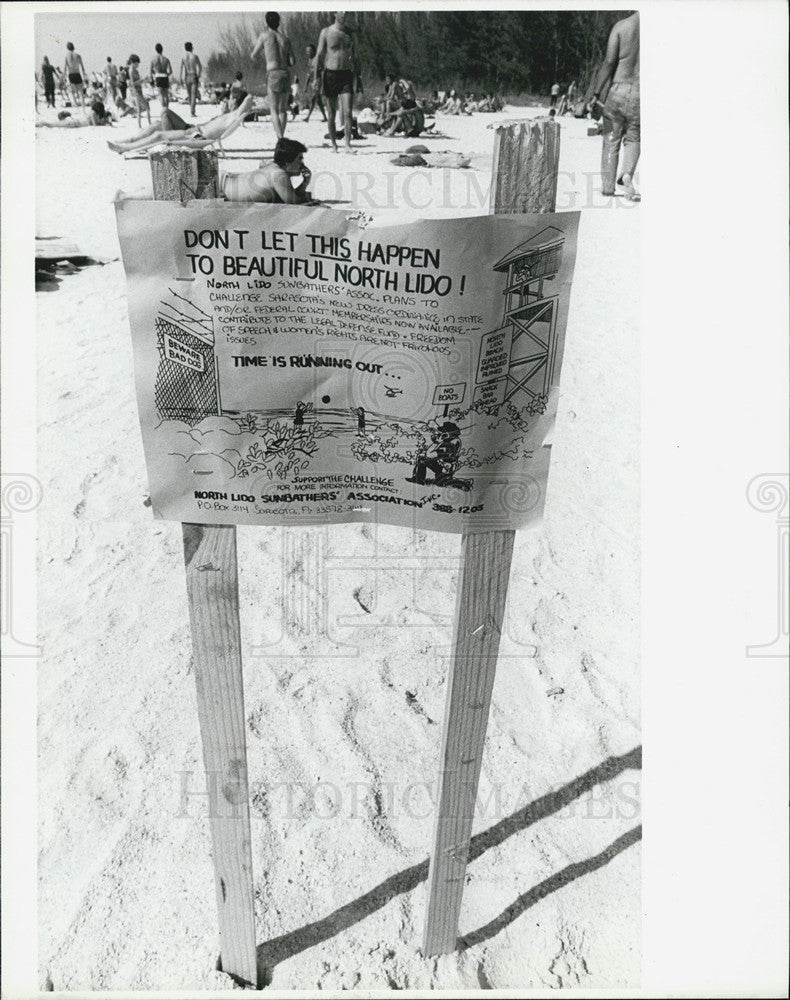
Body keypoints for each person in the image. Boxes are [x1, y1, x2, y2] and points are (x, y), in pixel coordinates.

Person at [592, 9, 640, 200]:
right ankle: (627, 174)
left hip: (618, 89)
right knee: (634, 137)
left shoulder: (622, 26)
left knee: (611, 138)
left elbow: (610, 61)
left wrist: (596, 92)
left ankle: (607, 187)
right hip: (641, 92)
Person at [107, 94, 254, 153]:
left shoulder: (232, 116)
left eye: (232, 100)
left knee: (159, 134)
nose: (228, 100)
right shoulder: (227, 116)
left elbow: (247, 101)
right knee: (158, 124)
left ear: (237, 105)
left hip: (195, 136)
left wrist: (242, 102)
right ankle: (128, 141)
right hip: (193, 129)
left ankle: (125, 148)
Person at [316, 12, 362, 153]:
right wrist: (315, 77)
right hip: (330, 74)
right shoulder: (326, 32)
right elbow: (319, 54)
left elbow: (356, 56)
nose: (344, 14)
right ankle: (334, 144)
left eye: (346, 12)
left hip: (346, 75)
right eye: (341, 11)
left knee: (348, 112)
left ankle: (347, 144)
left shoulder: (351, 34)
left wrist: (359, 78)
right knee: (331, 113)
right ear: (335, 13)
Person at [222, 136, 314, 204]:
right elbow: (293, 202)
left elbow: (290, 195)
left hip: (224, 182)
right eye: (299, 159)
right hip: (220, 189)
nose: (302, 163)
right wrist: (306, 193)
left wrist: (305, 183)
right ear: (287, 162)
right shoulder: (278, 175)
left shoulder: (272, 167)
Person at [251, 12, 295, 140]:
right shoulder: (285, 38)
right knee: (283, 109)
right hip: (285, 73)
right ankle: (281, 136)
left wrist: (264, 57)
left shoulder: (265, 36)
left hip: (273, 72)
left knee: (274, 109)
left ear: (266, 22)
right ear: (279, 22)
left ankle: (280, 138)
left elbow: (253, 55)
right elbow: (292, 61)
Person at [302, 44, 326, 122]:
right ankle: (325, 117)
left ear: (313, 51)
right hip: (312, 81)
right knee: (318, 101)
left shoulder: (317, 59)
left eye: (309, 51)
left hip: (318, 80)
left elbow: (323, 70)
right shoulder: (310, 60)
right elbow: (309, 73)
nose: (307, 53)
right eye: (307, 51)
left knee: (313, 98)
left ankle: (308, 117)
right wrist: (306, 85)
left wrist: (322, 84)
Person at [127, 54, 151, 126]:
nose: (138, 65)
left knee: (140, 108)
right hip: (136, 91)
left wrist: (143, 80)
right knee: (146, 107)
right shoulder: (131, 71)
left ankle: (140, 125)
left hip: (138, 90)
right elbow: (132, 83)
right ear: (133, 62)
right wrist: (142, 80)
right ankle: (148, 124)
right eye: (137, 63)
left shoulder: (133, 70)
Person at [180, 42, 202, 117]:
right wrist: (198, 76)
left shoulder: (183, 57)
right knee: (193, 95)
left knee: (189, 95)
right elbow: (200, 67)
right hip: (193, 75)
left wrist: (181, 78)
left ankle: (191, 109)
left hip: (187, 76)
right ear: (191, 47)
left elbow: (182, 69)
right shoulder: (194, 56)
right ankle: (192, 112)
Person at [63, 42, 87, 108]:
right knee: (80, 92)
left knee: (71, 91)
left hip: (71, 74)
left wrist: (64, 76)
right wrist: (84, 76)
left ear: (67, 48)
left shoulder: (66, 56)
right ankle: (83, 106)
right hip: (78, 74)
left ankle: (75, 105)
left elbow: (65, 67)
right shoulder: (78, 55)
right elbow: (82, 67)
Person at [150, 43, 173, 109]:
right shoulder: (166, 59)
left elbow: (150, 71)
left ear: (156, 50)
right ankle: (167, 109)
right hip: (165, 76)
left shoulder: (153, 59)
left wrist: (154, 76)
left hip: (158, 77)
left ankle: (164, 109)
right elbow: (170, 71)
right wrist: (166, 74)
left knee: (161, 95)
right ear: (162, 50)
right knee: (166, 95)